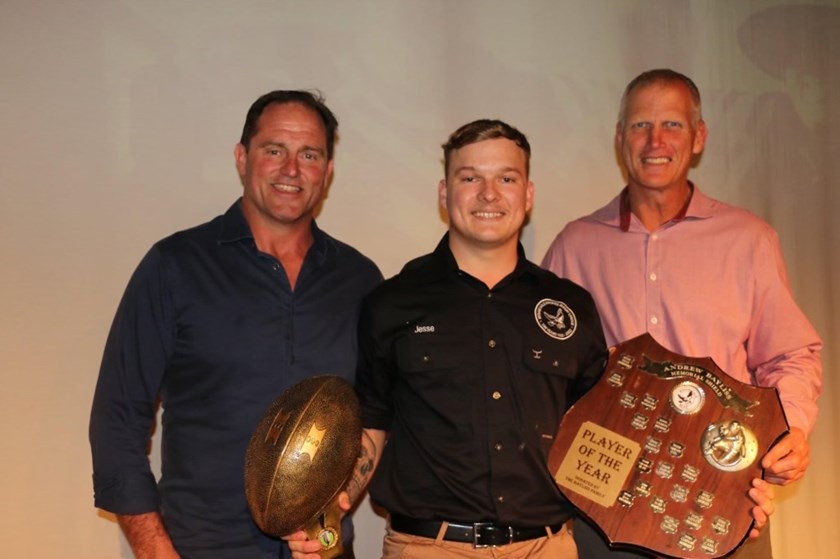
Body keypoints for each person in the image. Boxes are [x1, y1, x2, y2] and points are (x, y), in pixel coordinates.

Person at [289, 118, 608, 559]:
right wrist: (327, 507)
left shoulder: (571, 306)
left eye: (506, 178)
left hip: (548, 547)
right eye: (470, 177)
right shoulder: (392, 302)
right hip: (428, 548)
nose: (489, 194)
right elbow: (372, 427)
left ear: (528, 194)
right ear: (444, 194)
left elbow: (603, 433)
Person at [541, 69, 823, 559]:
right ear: (619, 137)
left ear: (699, 138)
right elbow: (544, 367)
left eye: (672, 125)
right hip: (602, 505)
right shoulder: (575, 246)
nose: (655, 141)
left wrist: (790, 431)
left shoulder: (748, 240)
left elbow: (792, 355)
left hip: (722, 503)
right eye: (639, 126)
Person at [89, 90, 382, 559]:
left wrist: (326, 528)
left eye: (309, 154)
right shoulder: (175, 266)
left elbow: (372, 414)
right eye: (274, 150)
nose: (292, 169)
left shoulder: (360, 279)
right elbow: (117, 420)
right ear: (242, 158)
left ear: (327, 172)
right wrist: (155, 551)